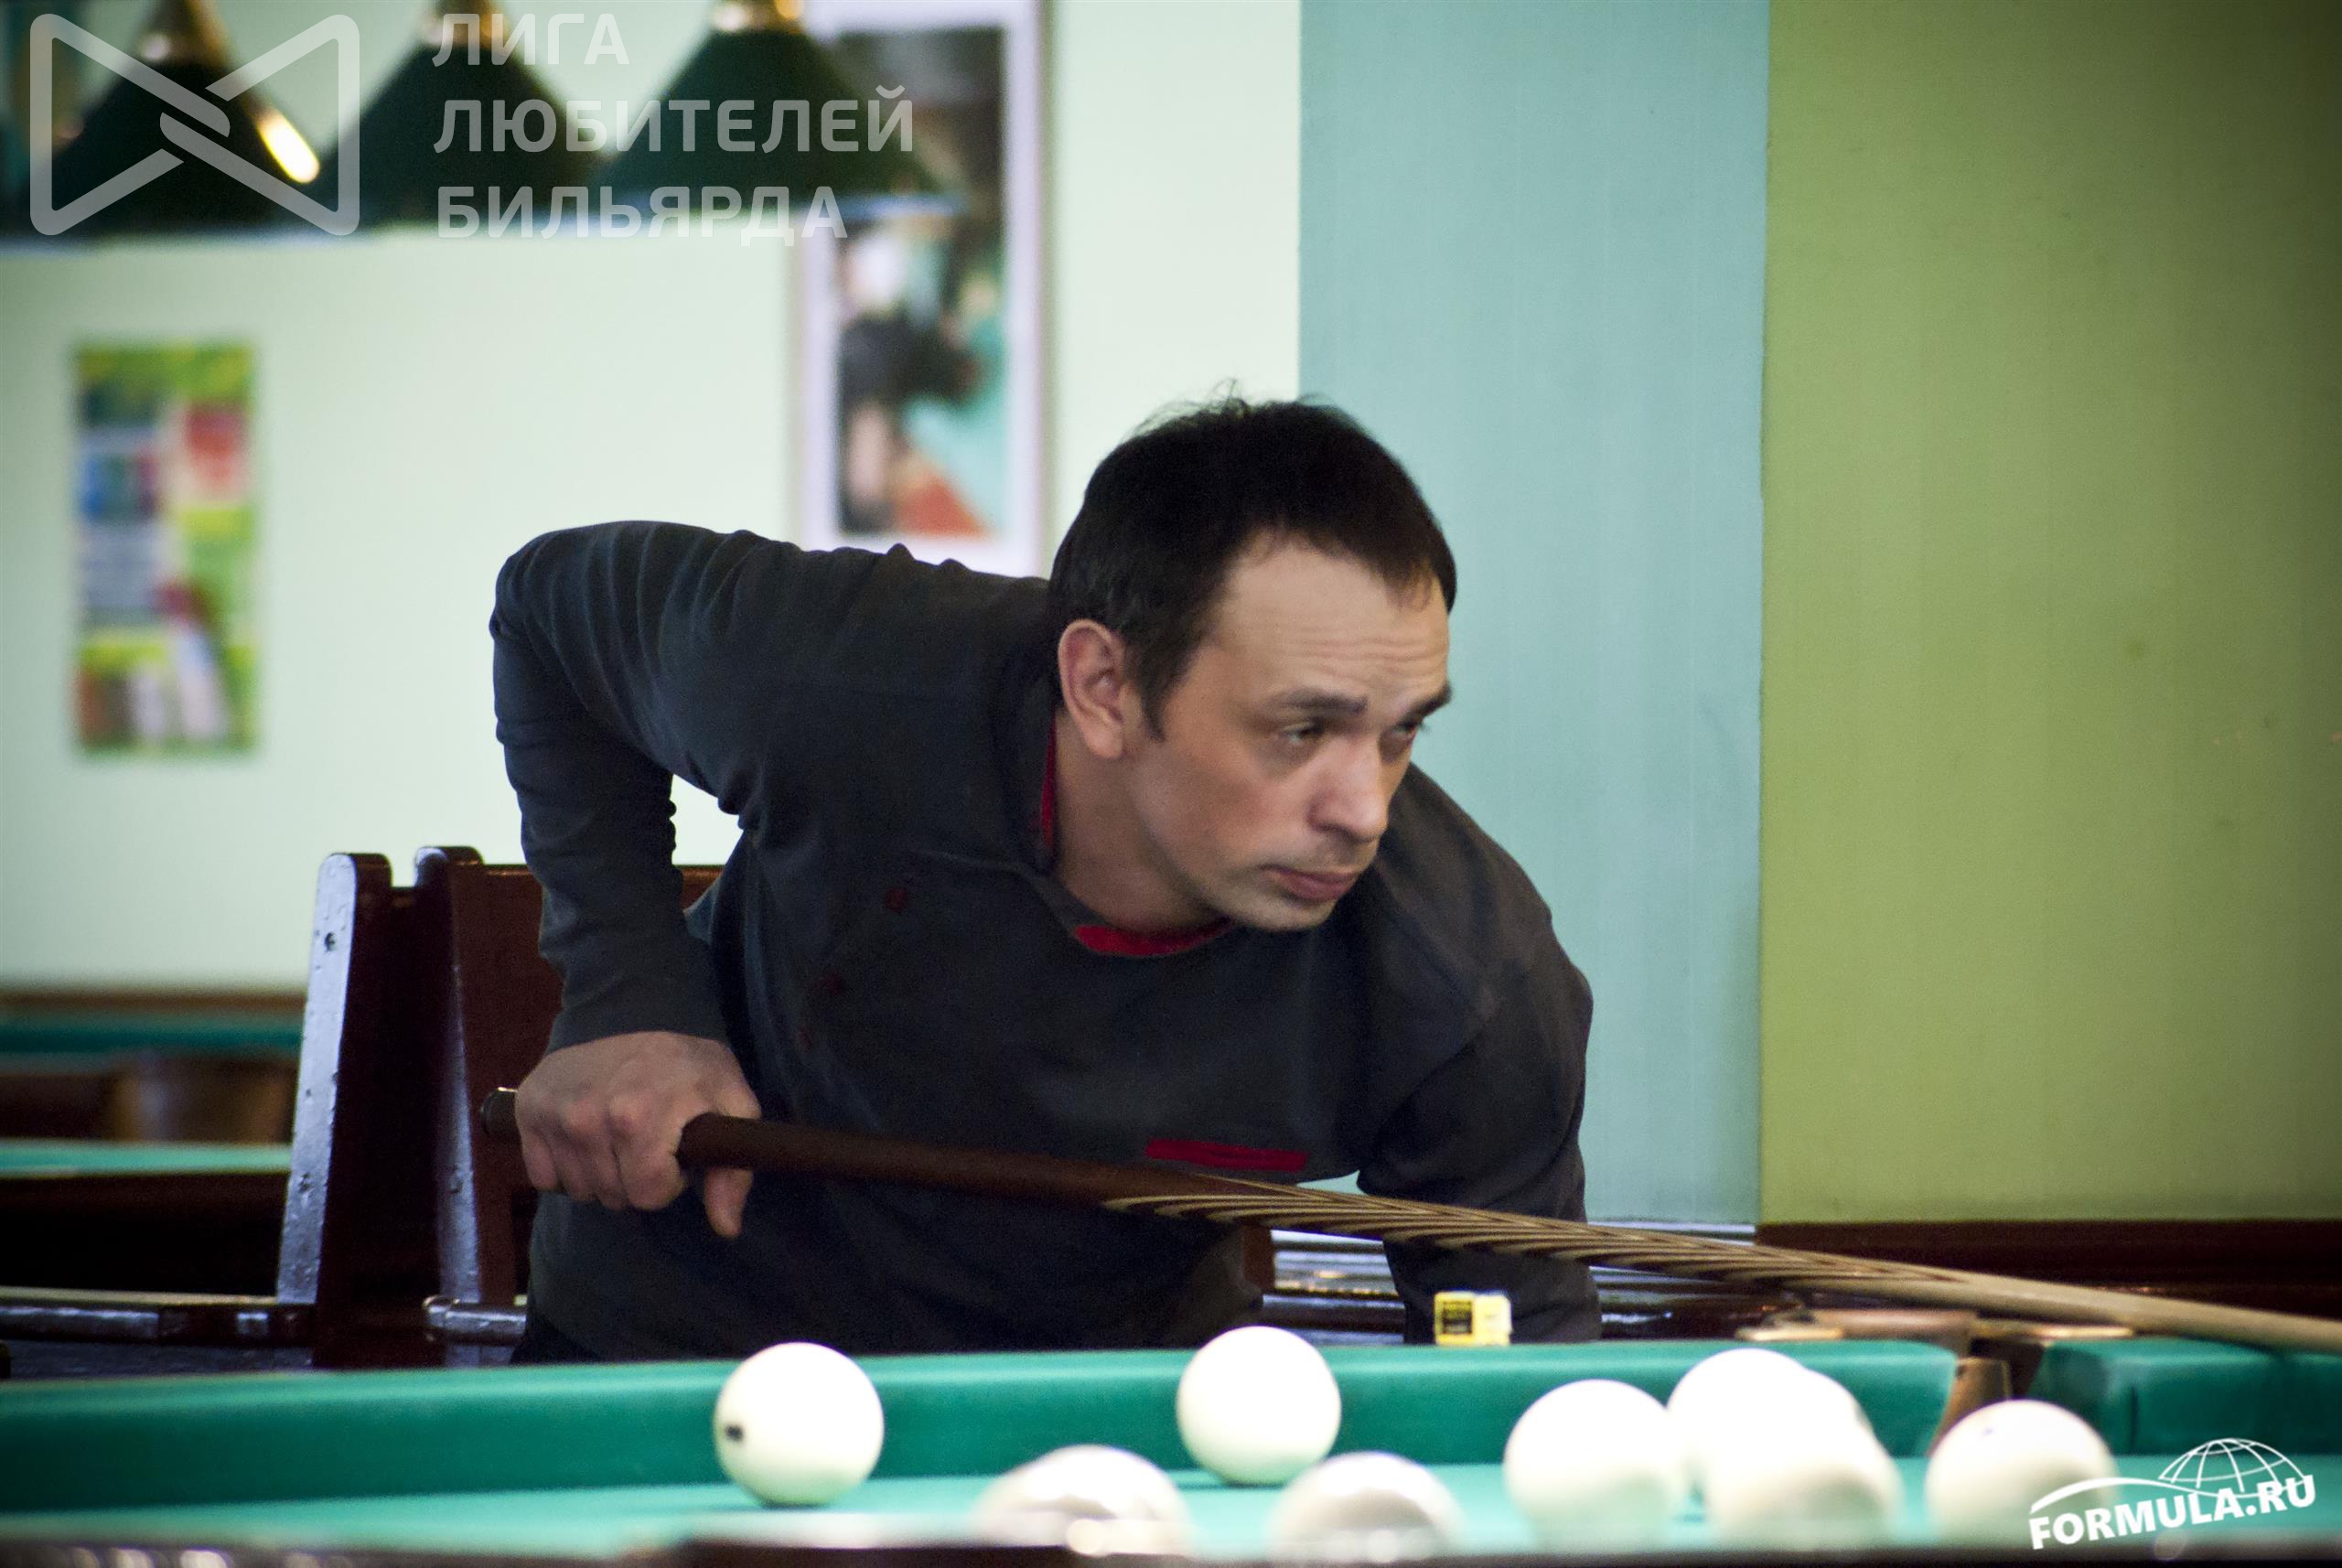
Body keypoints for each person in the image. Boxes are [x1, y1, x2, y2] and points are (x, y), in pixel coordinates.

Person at [489, 396, 1598, 1360]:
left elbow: (1514, 1347)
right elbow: (549, 613)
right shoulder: (847, 674)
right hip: (680, 1341)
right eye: (1301, 729)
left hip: (1103, 1410)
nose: (1363, 810)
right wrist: (626, 998)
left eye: (1400, 732)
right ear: (1105, 686)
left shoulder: (1471, 981)